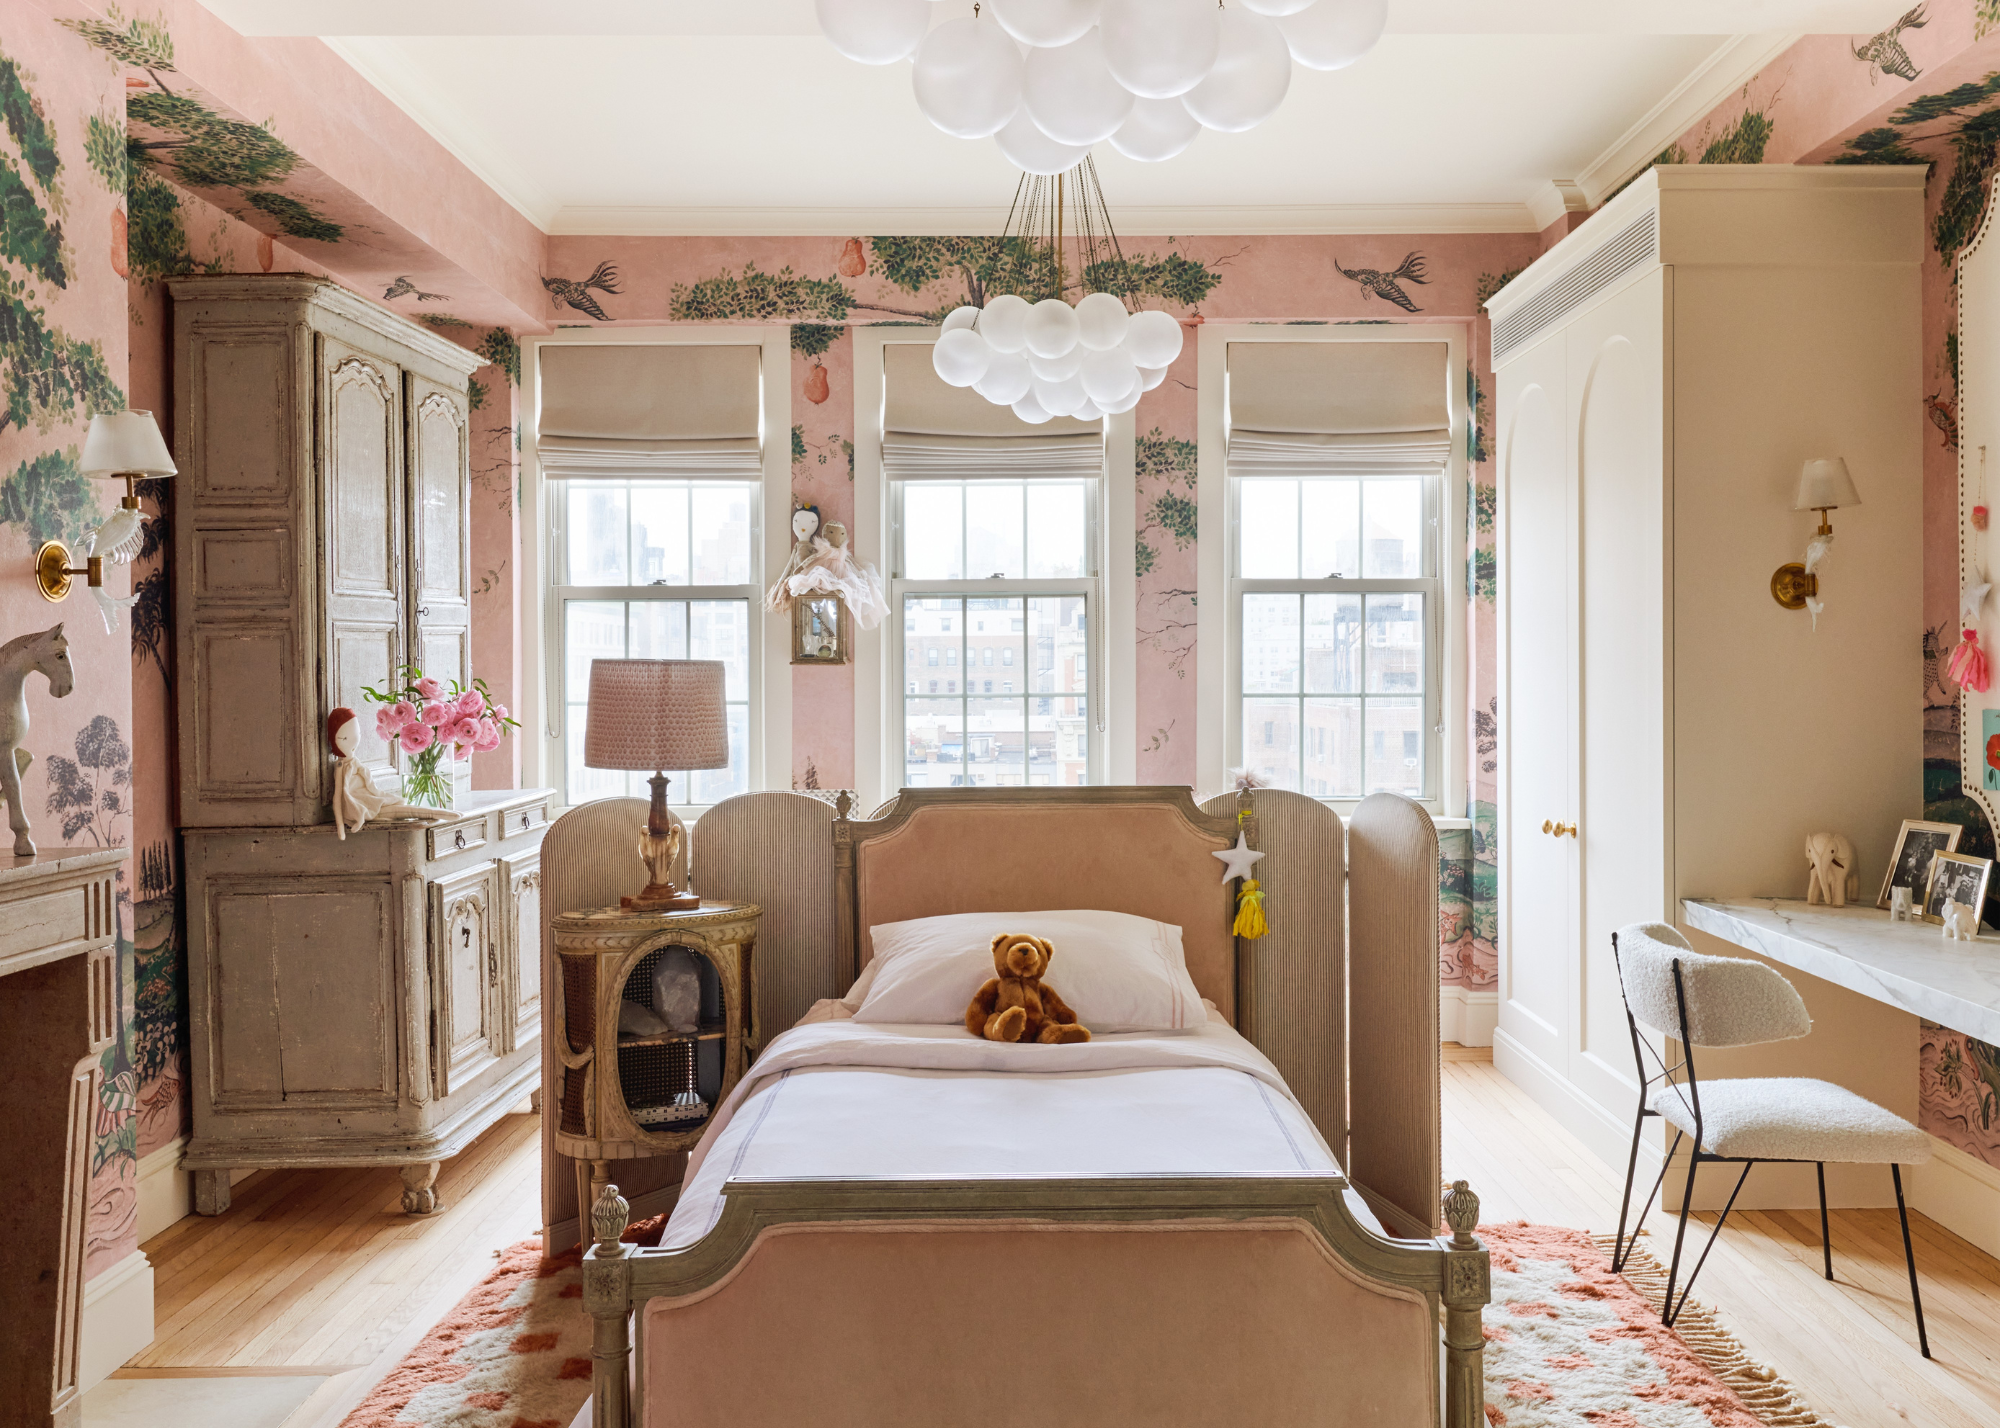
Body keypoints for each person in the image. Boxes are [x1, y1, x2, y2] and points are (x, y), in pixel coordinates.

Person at [326, 707, 455, 839]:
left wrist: (376, 795)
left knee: (404, 810)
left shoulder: (356, 763)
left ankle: (438, 813)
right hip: (358, 806)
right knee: (403, 811)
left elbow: (370, 785)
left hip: (371, 799)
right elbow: (338, 798)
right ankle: (438, 813)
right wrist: (340, 826)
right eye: (346, 738)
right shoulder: (341, 767)